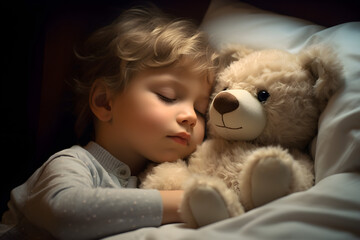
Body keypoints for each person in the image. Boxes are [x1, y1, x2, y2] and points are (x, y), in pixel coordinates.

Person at [0, 5, 218, 240]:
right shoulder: (74, 163)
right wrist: (186, 202)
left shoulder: (155, 179)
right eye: (168, 96)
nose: (191, 116)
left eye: (201, 110)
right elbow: (65, 213)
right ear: (105, 102)